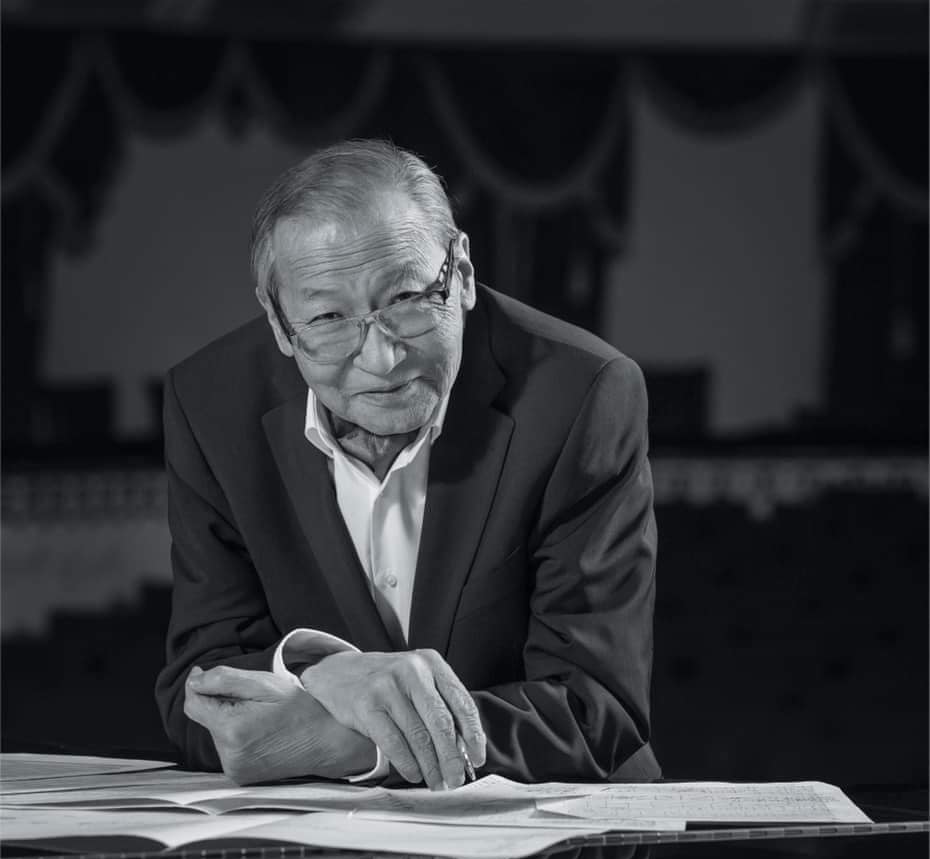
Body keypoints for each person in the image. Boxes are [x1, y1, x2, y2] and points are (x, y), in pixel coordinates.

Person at [156, 139, 659, 789]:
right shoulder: (210, 403)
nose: (383, 359)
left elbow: (595, 714)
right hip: (326, 840)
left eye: (406, 300)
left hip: (557, 831)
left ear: (463, 274)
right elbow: (198, 694)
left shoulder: (582, 395)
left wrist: (344, 743)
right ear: (280, 324)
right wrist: (320, 670)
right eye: (329, 318)